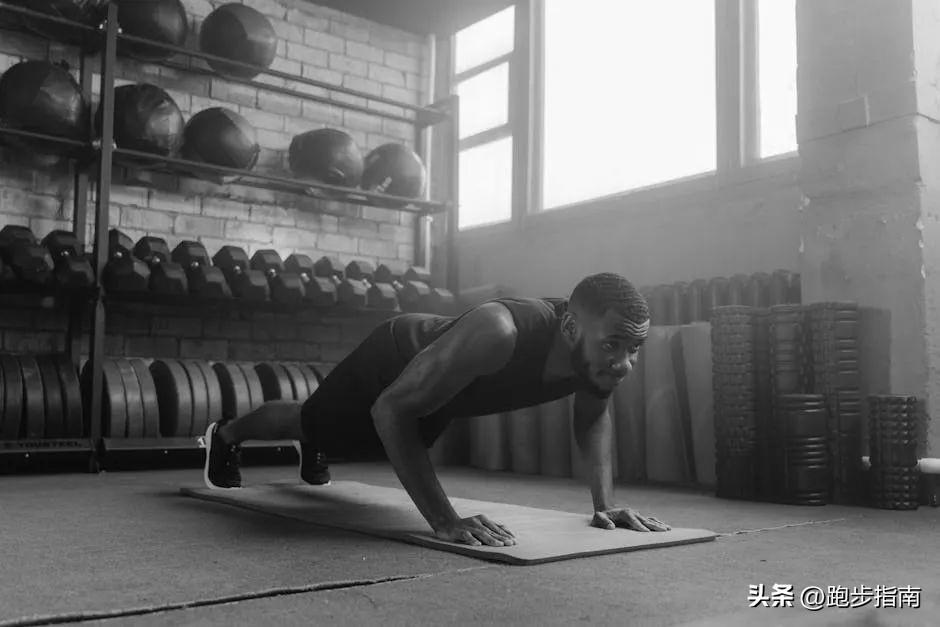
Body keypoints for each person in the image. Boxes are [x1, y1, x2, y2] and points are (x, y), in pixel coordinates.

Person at [201, 272, 671, 547]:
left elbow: (592, 417)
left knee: (383, 441)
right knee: (313, 422)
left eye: (634, 348)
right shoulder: (501, 331)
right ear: (569, 328)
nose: (625, 363)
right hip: (393, 359)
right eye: (613, 345)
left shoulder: (594, 360)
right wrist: (445, 520)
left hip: (446, 392)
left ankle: (319, 442)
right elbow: (390, 409)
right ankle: (225, 434)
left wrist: (605, 504)